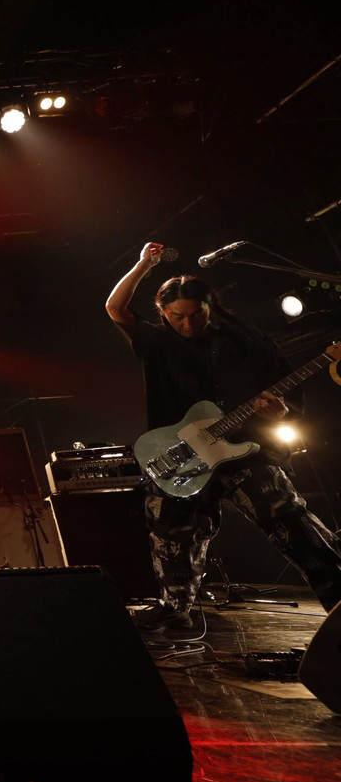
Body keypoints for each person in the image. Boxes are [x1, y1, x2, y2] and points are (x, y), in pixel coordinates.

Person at [106, 242, 341, 632]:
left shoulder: (249, 342)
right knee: (172, 536)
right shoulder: (156, 342)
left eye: (196, 314)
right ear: (163, 312)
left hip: (247, 451)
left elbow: (288, 390)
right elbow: (115, 307)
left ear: (210, 307)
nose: (187, 324)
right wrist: (143, 264)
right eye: (177, 316)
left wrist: (281, 413)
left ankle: (339, 600)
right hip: (182, 454)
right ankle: (175, 610)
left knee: (291, 522)